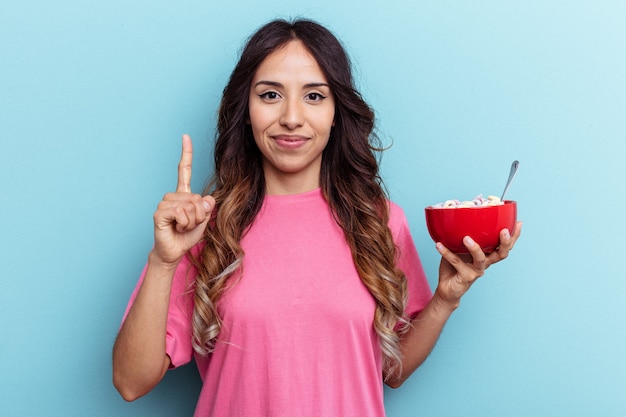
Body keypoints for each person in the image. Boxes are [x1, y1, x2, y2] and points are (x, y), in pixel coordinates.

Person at [112, 18, 522, 416]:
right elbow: (131, 382)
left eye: (314, 96)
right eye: (270, 95)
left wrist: (445, 301)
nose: (291, 117)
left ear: (336, 111)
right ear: (246, 109)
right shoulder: (203, 227)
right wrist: (163, 261)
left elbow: (389, 372)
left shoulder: (378, 222)